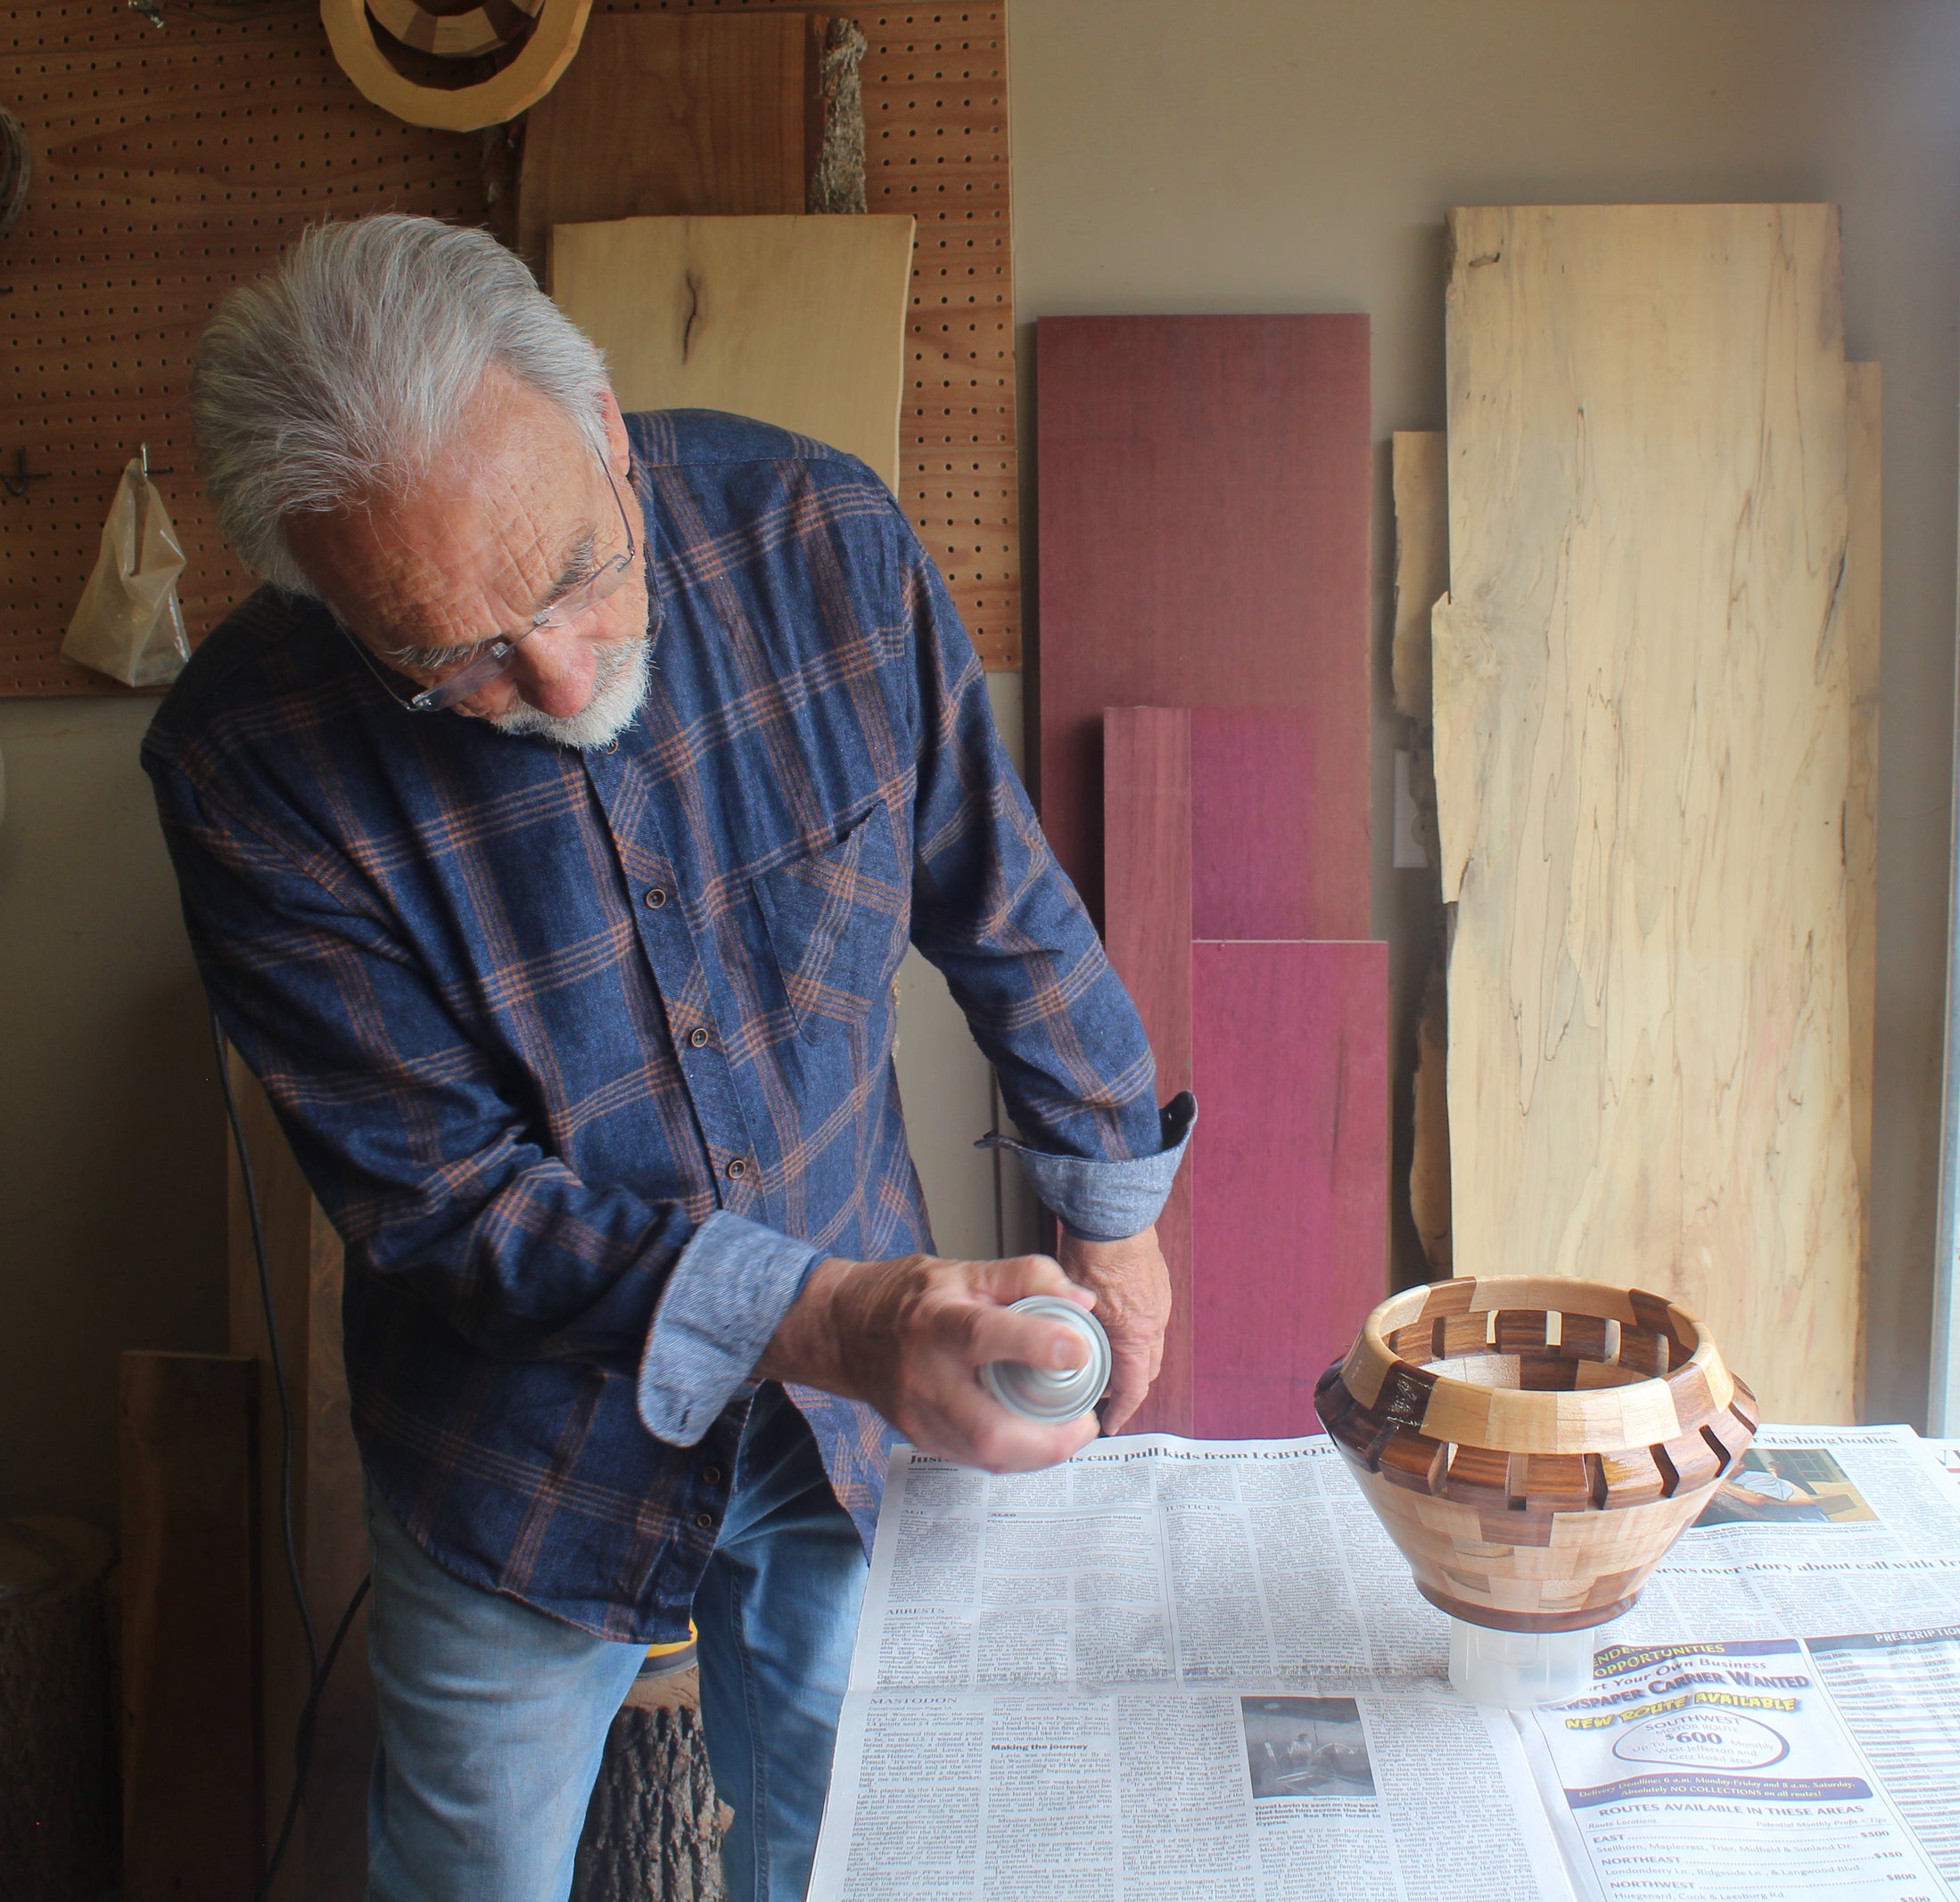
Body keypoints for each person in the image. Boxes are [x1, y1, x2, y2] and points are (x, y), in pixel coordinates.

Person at [146, 214, 1188, 1902]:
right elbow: (455, 1208)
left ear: (608, 425)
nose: (557, 676)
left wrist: (1112, 1201)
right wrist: (840, 1314)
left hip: (854, 1435)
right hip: (521, 1463)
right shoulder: (246, 772)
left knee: (852, 1859)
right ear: (323, 599)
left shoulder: (819, 539)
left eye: (570, 574)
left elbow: (999, 899)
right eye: (452, 655)